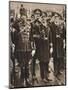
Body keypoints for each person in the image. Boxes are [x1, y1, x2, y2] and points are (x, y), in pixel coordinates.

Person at [12, 13, 32, 87]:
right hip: (20, 48)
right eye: (22, 18)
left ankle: (27, 79)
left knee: (27, 65)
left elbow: (31, 36)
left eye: (25, 18)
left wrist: (32, 47)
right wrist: (18, 19)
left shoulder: (29, 25)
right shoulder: (18, 26)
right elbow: (13, 24)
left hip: (28, 48)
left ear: (27, 18)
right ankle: (23, 79)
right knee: (22, 64)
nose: (24, 19)